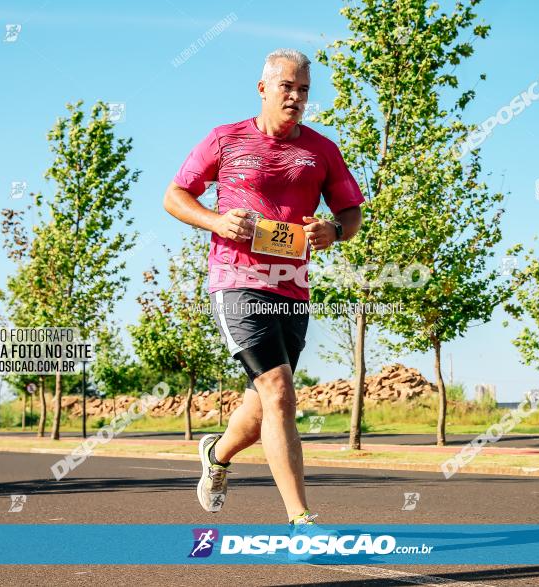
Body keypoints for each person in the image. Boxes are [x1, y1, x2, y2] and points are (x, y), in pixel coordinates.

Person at [163, 48, 363, 527]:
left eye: (304, 90)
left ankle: (217, 453)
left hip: (292, 287)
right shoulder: (224, 139)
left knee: (265, 401)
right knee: (278, 391)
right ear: (263, 89)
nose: (296, 97)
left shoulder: (321, 150)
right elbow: (174, 196)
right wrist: (215, 220)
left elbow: (351, 213)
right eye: (287, 87)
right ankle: (301, 519)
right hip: (237, 280)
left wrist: (333, 231)